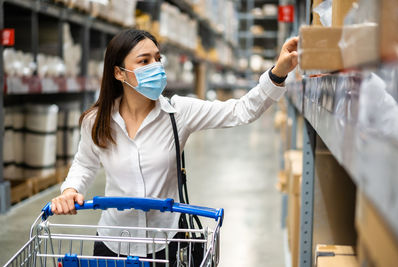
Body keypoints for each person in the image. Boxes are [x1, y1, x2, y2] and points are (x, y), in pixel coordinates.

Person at [51, 29, 298, 263]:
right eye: (144, 61)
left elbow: (241, 111)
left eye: (158, 58)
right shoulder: (97, 120)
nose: (156, 66)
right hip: (113, 243)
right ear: (119, 73)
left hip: (166, 245)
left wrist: (278, 72)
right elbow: (85, 162)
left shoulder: (178, 113)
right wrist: (70, 189)